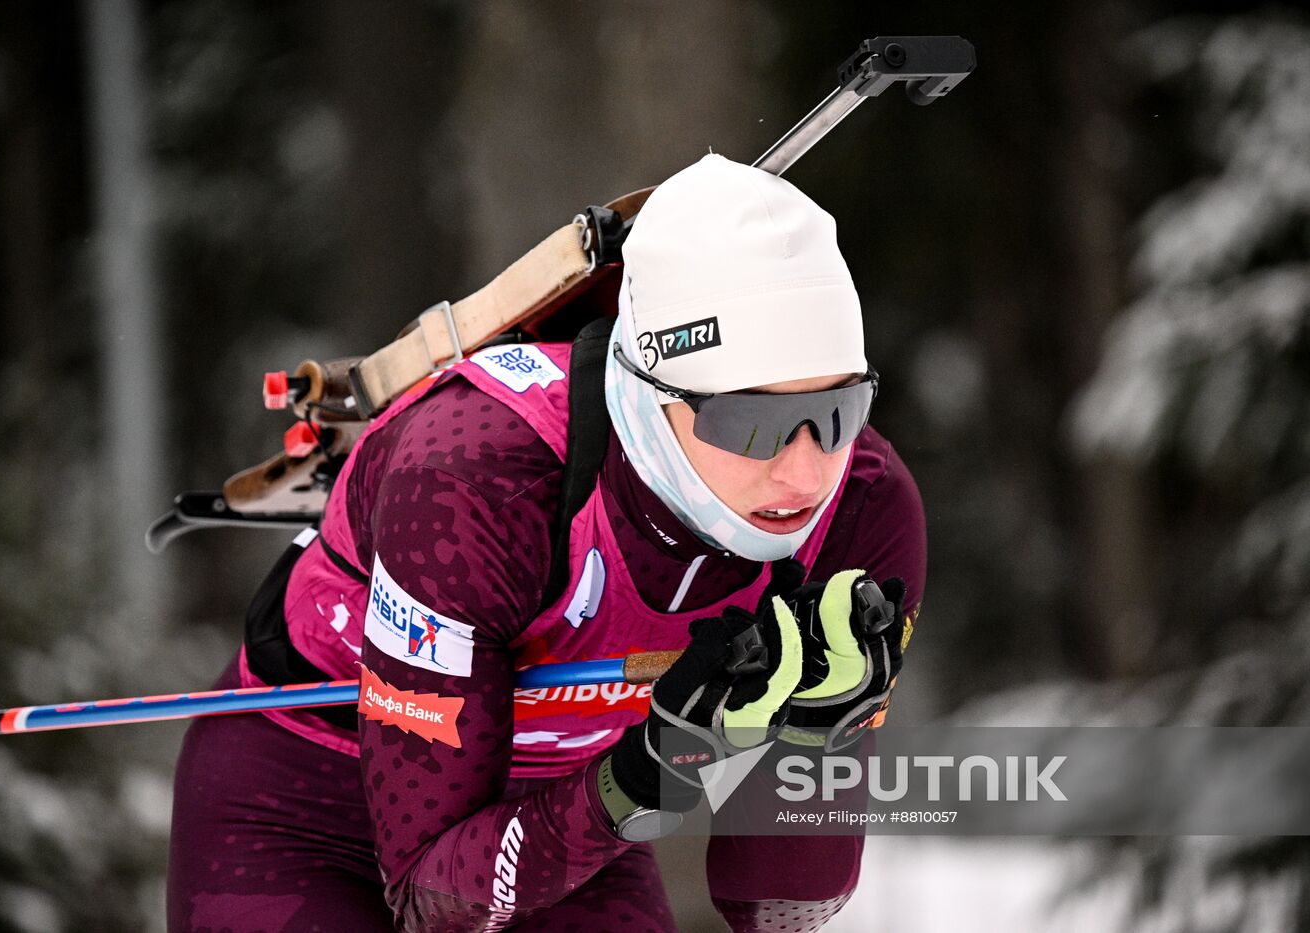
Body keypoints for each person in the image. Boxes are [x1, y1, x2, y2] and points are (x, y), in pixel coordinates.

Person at [167, 153, 926, 932]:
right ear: (651, 387)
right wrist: (639, 778)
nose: (804, 472)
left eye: (839, 410)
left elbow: (774, 913)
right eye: (749, 421)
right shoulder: (475, 476)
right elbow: (432, 897)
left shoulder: (865, 503)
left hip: (560, 817)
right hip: (303, 798)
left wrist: (818, 739)